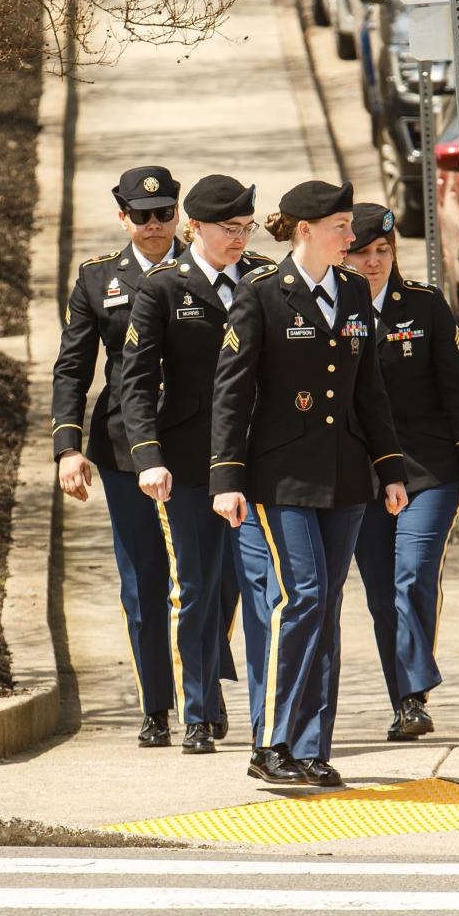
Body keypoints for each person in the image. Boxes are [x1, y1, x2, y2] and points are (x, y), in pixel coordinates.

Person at [210, 179, 408, 788]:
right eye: (342, 228)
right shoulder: (261, 294)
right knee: (303, 597)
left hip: (345, 476)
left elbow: (368, 387)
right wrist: (226, 477)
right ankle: (269, 742)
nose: (353, 239)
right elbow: (232, 389)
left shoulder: (351, 289)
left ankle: (311, 746)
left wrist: (390, 468)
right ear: (306, 231)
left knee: (327, 609)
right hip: (280, 477)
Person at [120, 174, 270, 755]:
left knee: (244, 586)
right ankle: (199, 711)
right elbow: (134, 381)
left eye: (246, 228)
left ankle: (255, 703)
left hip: (258, 456)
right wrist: (148, 458)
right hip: (187, 462)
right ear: (196, 229)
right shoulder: (164, 287)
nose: (239, 239)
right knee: (197, 586)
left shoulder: (262, 278)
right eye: (229, 230)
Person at [52, 165, 187, 749]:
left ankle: (203, 688)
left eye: (165, 213)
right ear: (123, 216)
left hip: (202, 439)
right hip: (125, 445)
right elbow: (73, 368)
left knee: (216, 580)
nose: (155, 225)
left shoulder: (210, 267)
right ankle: (157, 705)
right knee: (144, 581)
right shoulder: (97, 279)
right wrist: (67, 447)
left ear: (180, 214)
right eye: (142, 215)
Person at [344, 203, 459, 741]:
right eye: (362, 253)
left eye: (383, 251)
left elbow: (458, 386)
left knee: (414, 573)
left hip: (429, 467)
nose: (375, 262)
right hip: (361, 474)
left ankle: (413, 691)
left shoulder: (424, 306)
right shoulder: (330, 309)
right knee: (383, 592)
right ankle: (405, 698)